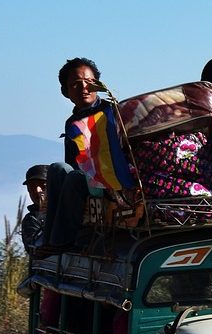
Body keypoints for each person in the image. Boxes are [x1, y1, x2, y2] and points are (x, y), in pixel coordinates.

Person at [43, 57, 134, 250]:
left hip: (110, 179)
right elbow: (71, 162)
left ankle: (61, 242)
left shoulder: (113, 113)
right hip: (84, 178)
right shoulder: (72, 123)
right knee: (57, 169)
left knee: (76, 177)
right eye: (75, 84)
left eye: (89, 82)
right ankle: (48, 238)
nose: (83, 88)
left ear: (98, 86)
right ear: (66, 92)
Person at [20, 164, 49, 254]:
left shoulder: (71, 209)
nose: (37, 191)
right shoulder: (31, 220)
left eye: (43, 186)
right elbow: (37, 248)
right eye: (31, 187)